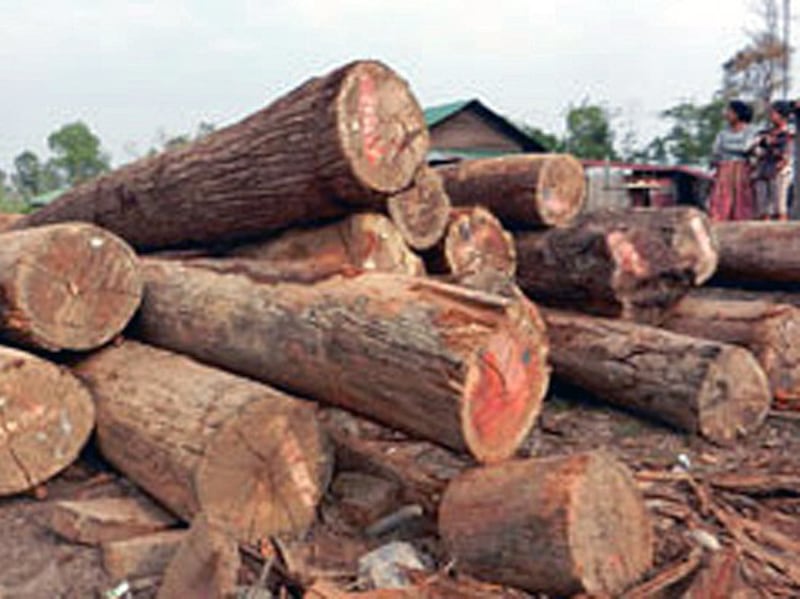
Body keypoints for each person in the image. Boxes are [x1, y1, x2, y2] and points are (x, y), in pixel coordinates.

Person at [707, 100, 757, 221]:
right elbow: (716, 150)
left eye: (730, 111)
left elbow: (746, 147)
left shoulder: (751, 131)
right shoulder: (723, 133)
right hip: (724, 168)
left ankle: (743, 220)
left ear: (738, 114)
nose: (727, 114)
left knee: (742, 196)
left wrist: (727, 149)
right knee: (721, 195)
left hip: (743, 168)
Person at [753, 100, 794, 220]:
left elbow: (786, 152)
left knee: (779, 206)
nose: (771, 115)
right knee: (762, 206)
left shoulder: (789, 133)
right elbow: (754, 148)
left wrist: (769, 146)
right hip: (763, 169)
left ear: (782, 116)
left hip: (779, 171)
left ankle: (782, 228)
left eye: (774, 113)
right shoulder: (764, 133)